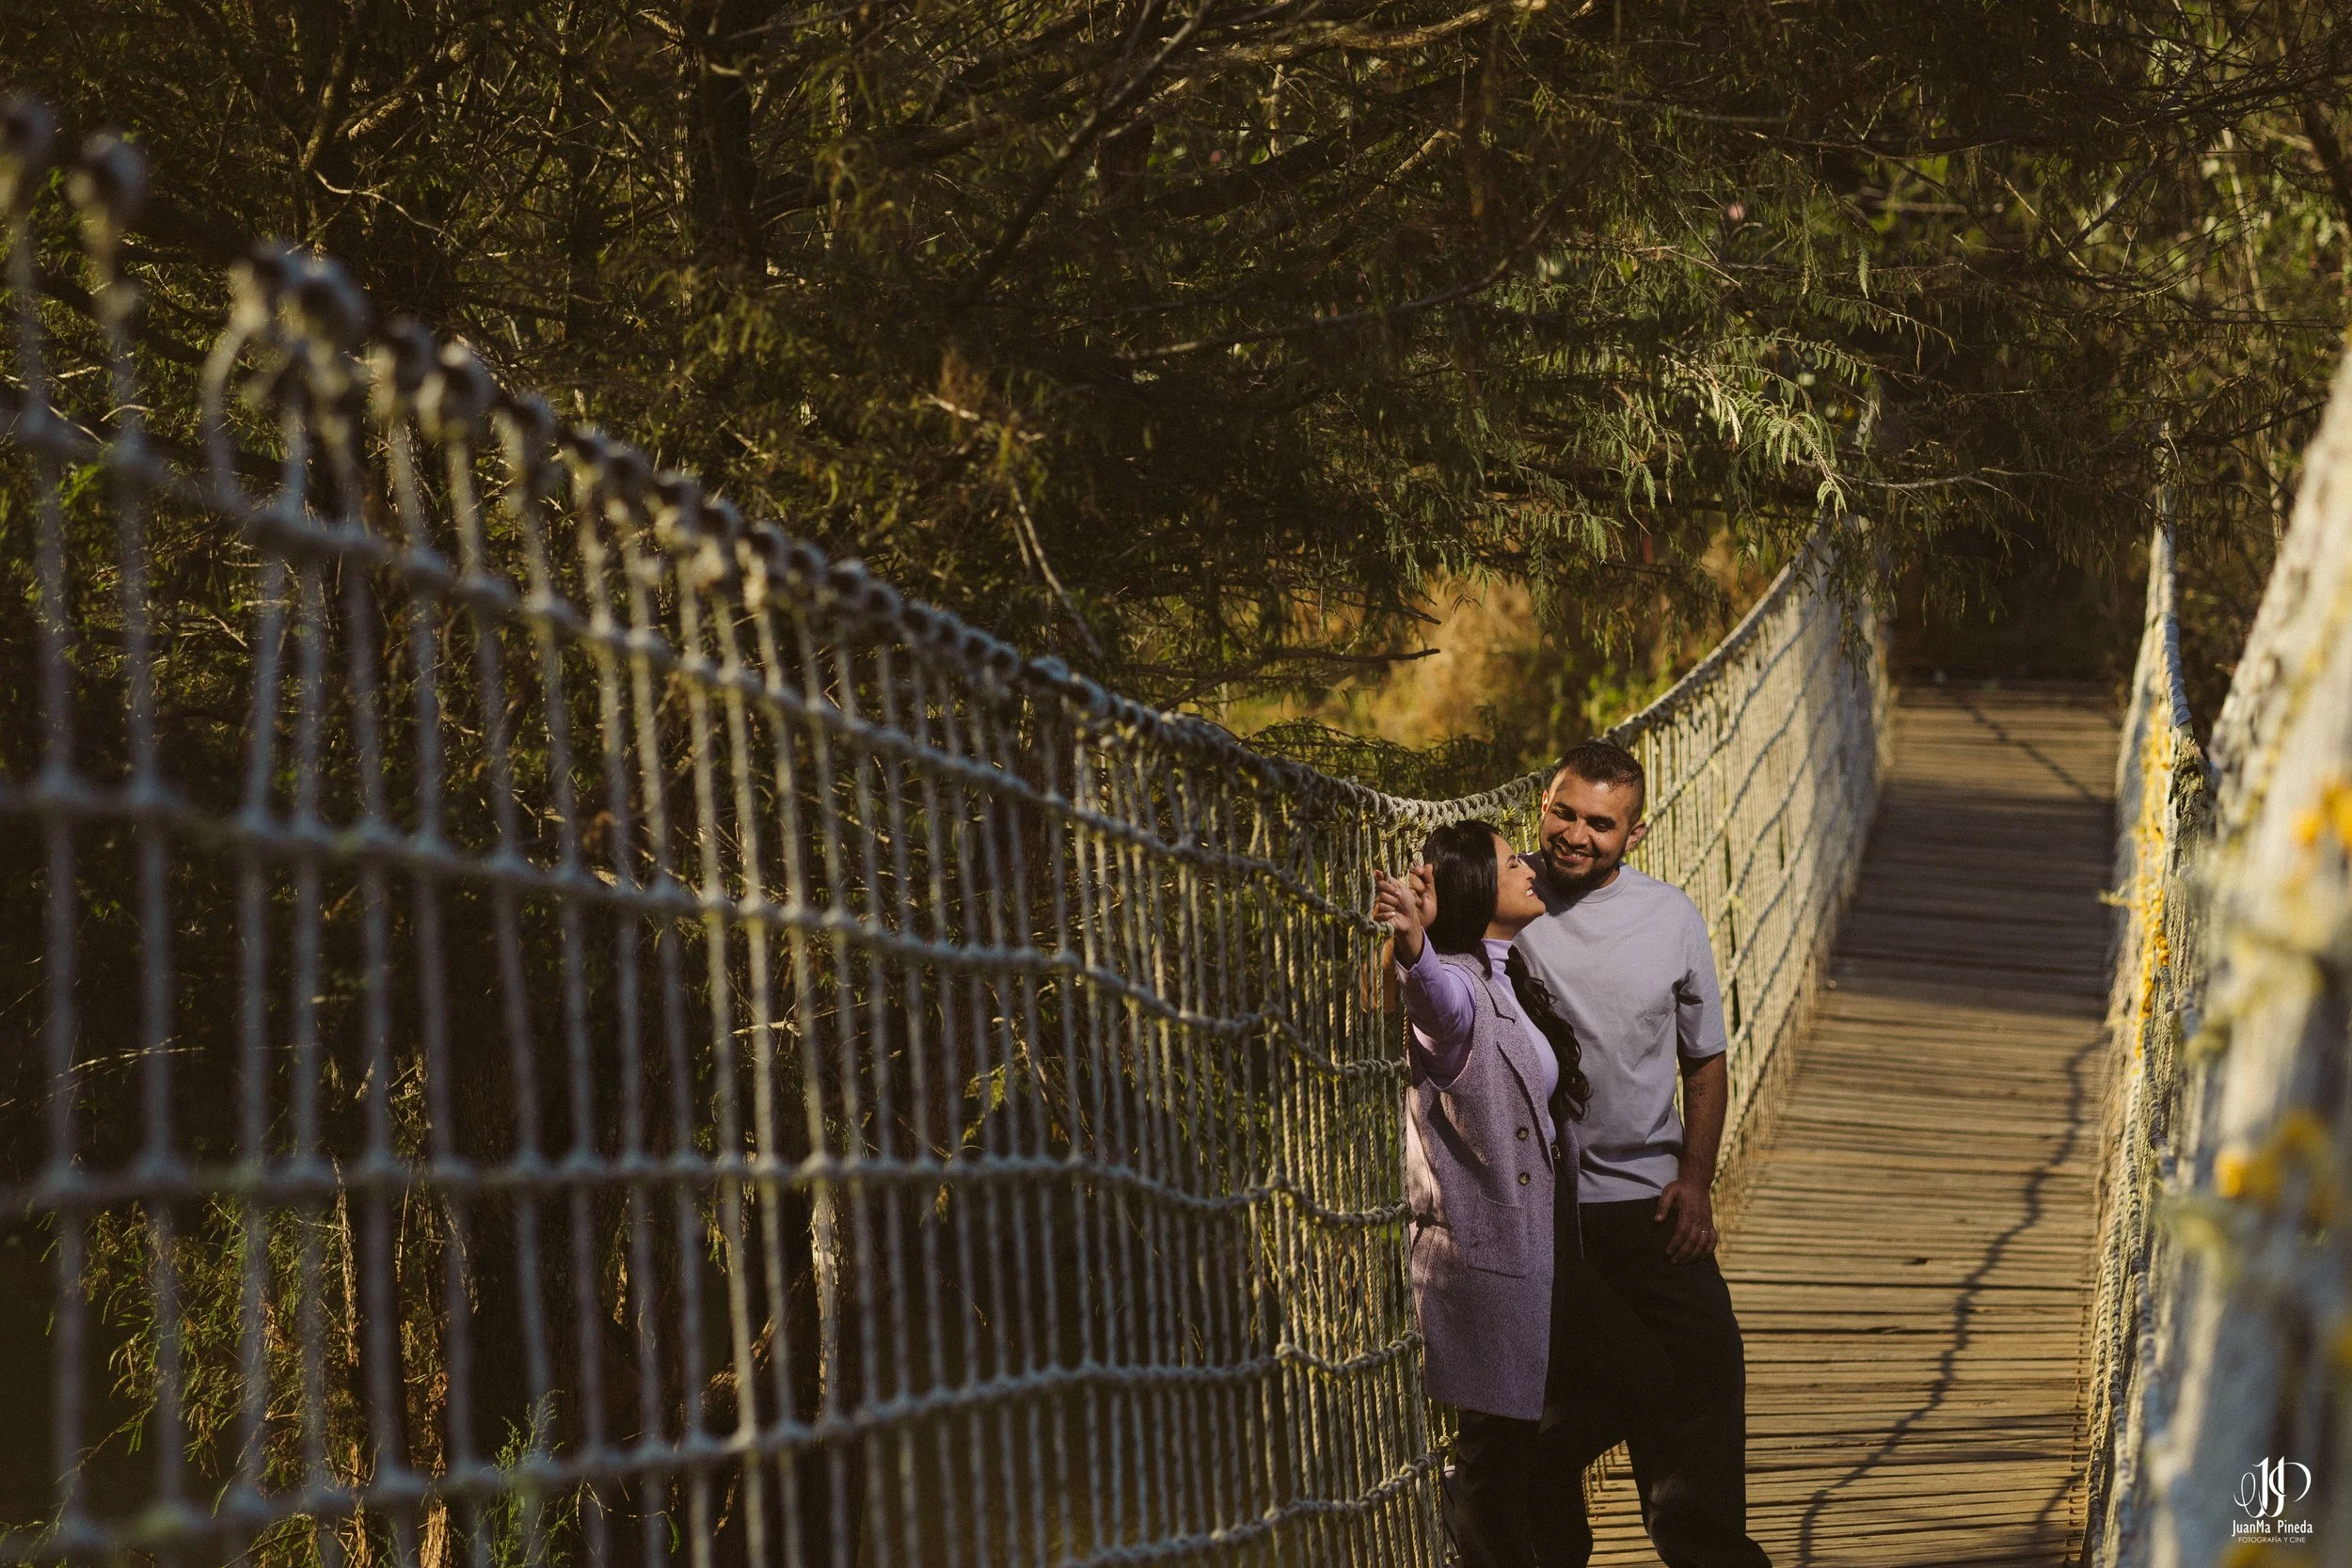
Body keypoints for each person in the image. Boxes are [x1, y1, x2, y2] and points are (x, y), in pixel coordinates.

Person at [1375, 820, 1673, 1568]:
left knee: (1633, 1382)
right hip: (1489, 1254)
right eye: (1513, 861)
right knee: (1499, 1453)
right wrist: (1413, 946)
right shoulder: (1461, 988)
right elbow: (1437, 1005)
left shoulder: (1506, 971)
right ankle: (1473, 1494)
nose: (1531, 865)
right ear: (1479, 885)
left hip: (1544, 1250)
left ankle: (1489, 1486)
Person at [1509, 738, 1772, 1568]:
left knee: (1704, 1370)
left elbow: (1707, 1060)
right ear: (1543, 803)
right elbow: (1411, 991)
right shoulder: (1502, 894)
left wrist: (1696, 1180)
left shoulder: (1671, 917)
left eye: (1599, 821)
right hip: (1543, 1216)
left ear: (1636, 832)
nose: (1575, 834)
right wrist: (1406, 930)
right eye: (1563, 811)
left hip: (1651, 1205)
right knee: (1548, 1413)